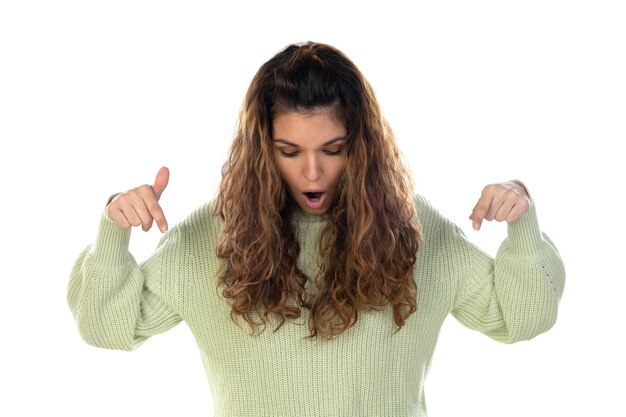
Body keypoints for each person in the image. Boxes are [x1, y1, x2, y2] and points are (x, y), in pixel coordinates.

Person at [67, 41, 565, 416]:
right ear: (263, 151)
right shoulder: (214, 236)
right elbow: (107, 325)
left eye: (332, 149)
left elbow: (519, 316)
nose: (312, 173)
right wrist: (115, 228)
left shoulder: (413, 231)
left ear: (361, 145)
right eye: (290, 153)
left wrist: (520, 218)